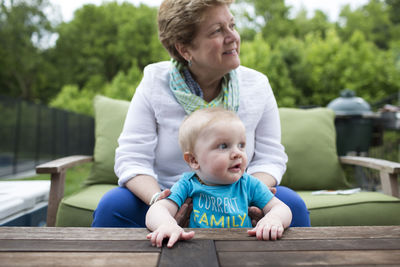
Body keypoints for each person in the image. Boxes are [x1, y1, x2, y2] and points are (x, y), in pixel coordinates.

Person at [92, 0, 310, 228]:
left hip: (240, 194)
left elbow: (270, 157)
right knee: (113, 205)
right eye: (217, 30)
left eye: (232, 26)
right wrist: (161, 205)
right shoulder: (154, 81)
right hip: (169, 197)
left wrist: (244, 199)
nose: (232, 37)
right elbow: (132, 159)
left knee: (291, 205)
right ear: (184, 49)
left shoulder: (257, 85)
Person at [146, 107, 292, 248]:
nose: (237, 153)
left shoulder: (248, 183)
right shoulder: (188, 184)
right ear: (194, 160)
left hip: (245, 248)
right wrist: (167, 224)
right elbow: (157, 209)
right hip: (199, 248)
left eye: (241, 145)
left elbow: (280, 207)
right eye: (223, 146)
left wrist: (274, 218)